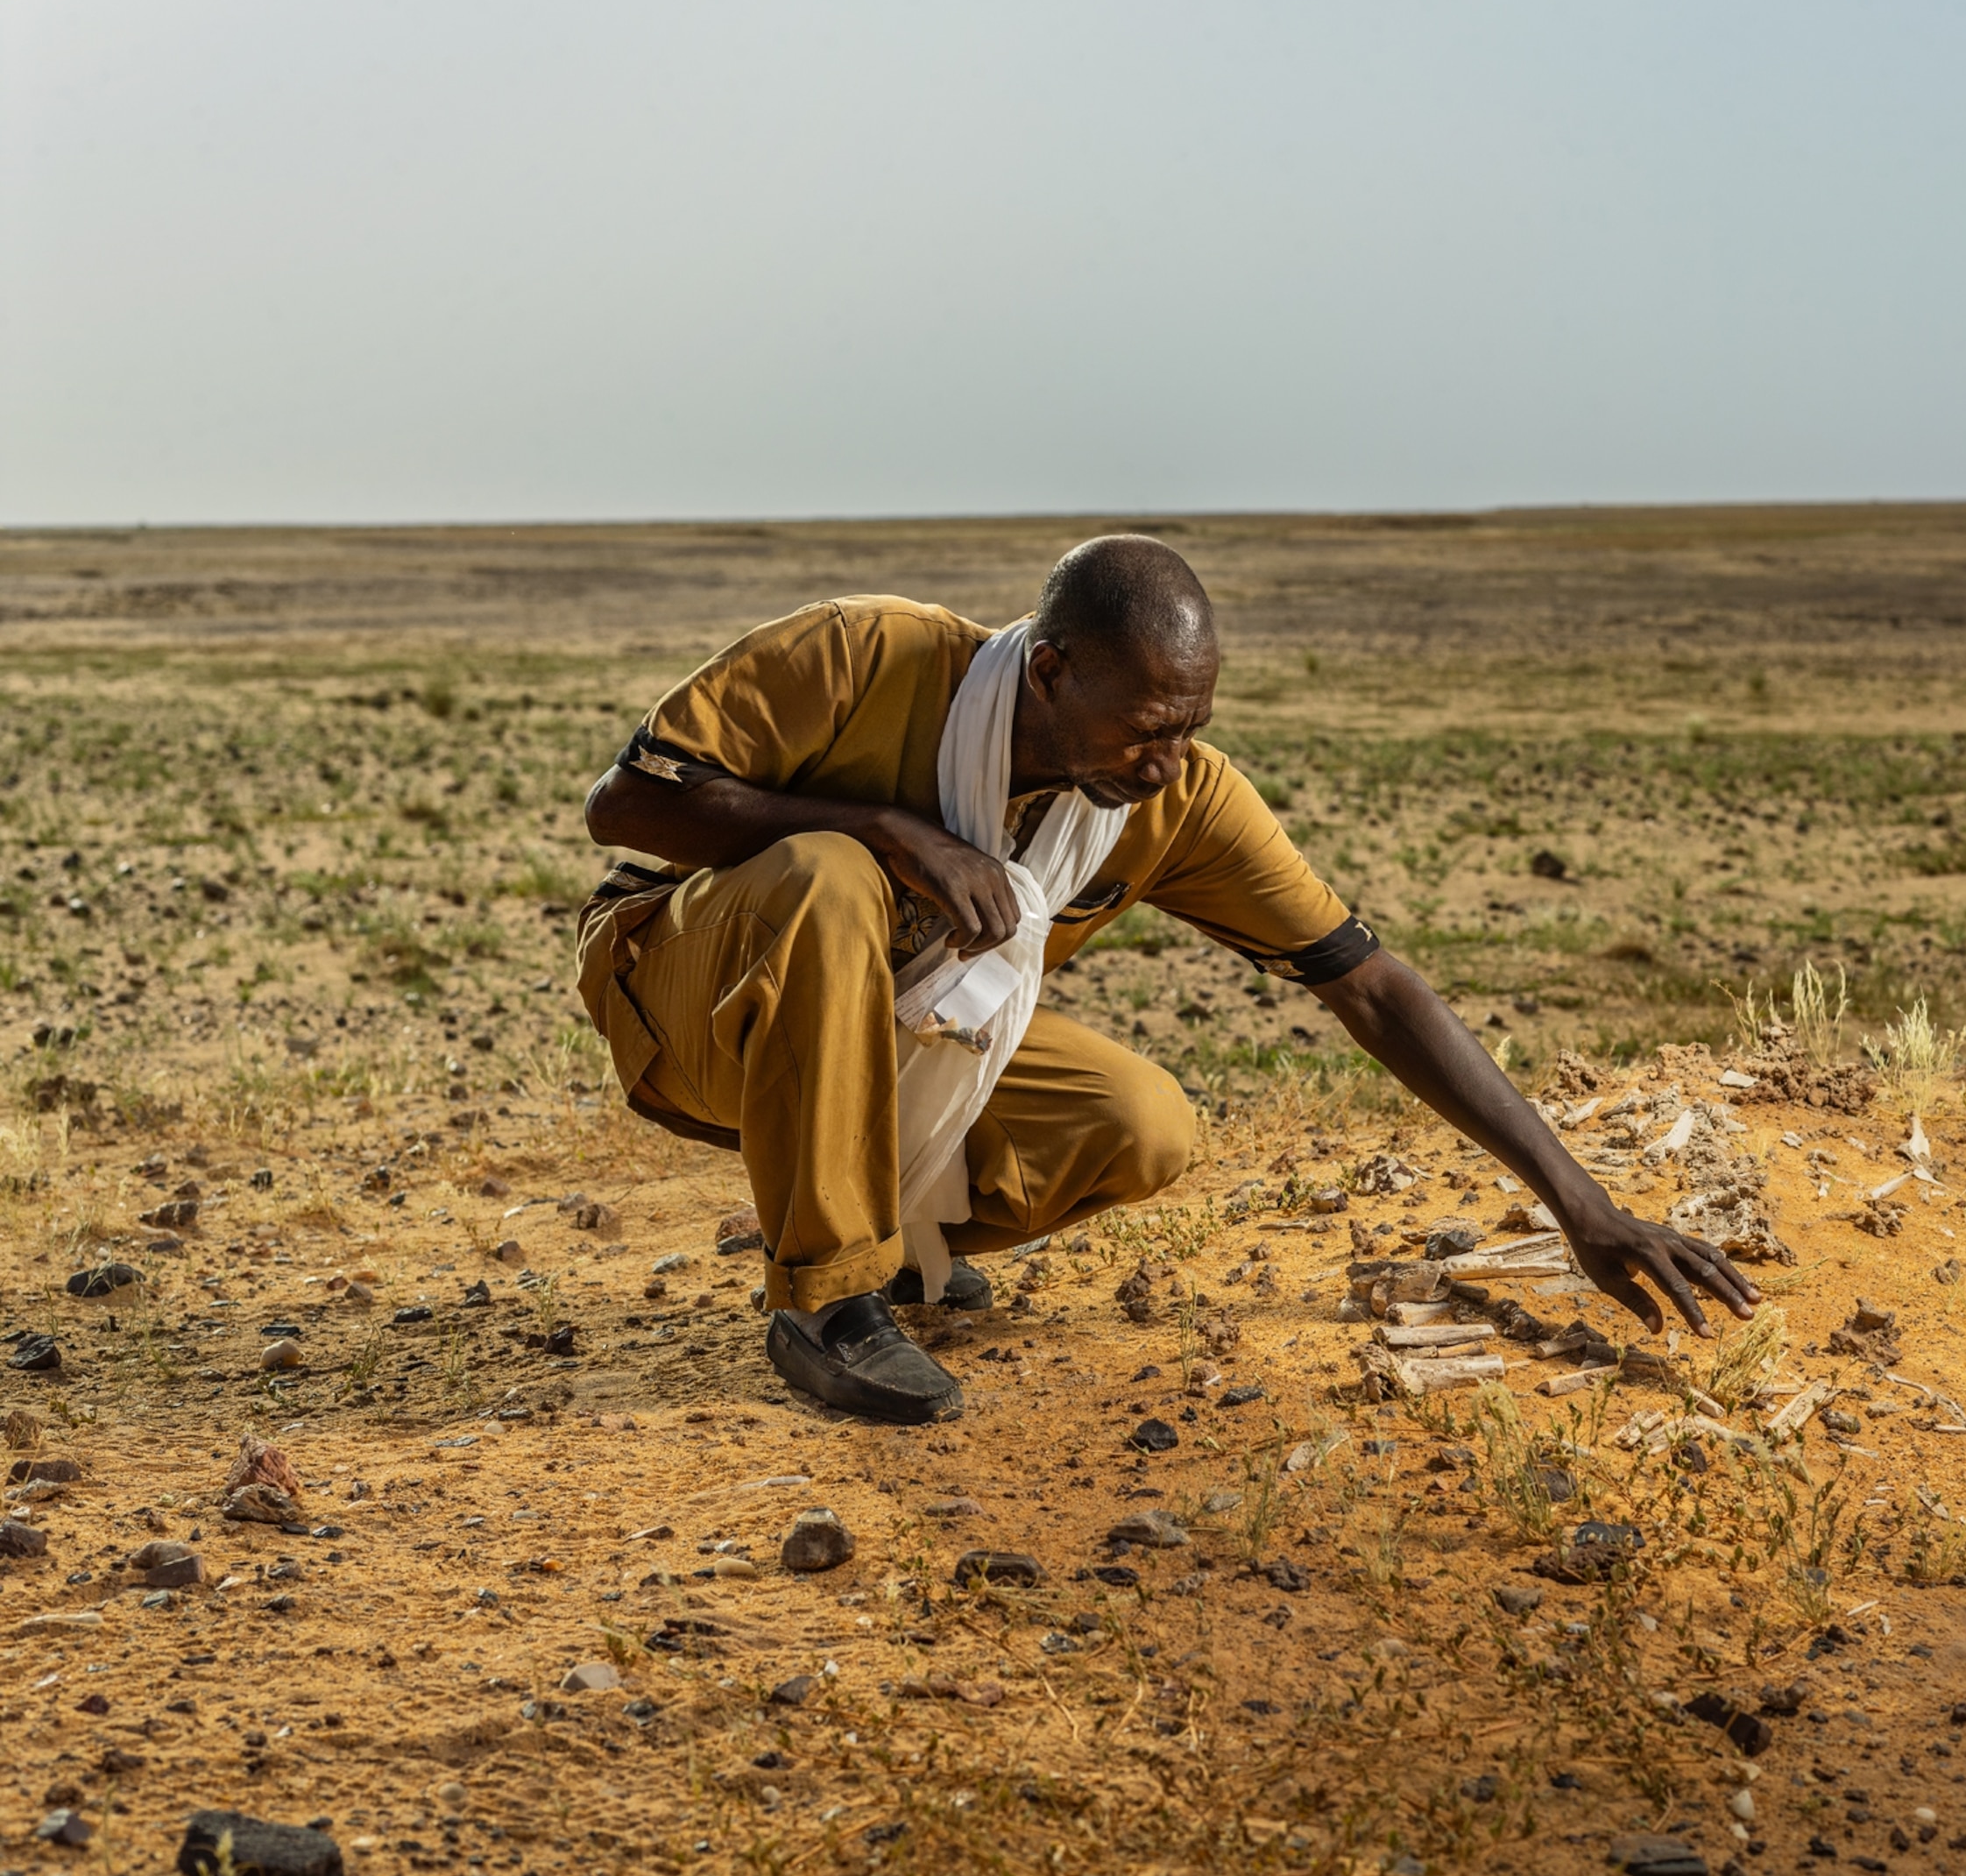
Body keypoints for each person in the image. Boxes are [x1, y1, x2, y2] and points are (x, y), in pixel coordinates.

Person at [576, 534, 1754, 1421]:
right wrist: (892, 830)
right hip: (686, 998)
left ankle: (887, 1242)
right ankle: (824, 1304)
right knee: (833, 877)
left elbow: (1371, 986)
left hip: (872, 1035)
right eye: (1143, 727)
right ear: (1047, 674)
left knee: (1140, 1124)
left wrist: (1581, 1205)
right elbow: (622, 805)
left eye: (1189, 725)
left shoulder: (1177, 798)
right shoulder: (865, 655)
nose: (1166, 760)